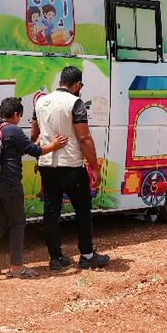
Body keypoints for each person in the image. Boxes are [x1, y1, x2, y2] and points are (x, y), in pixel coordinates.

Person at [0, 98, 67, 278]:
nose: (20, 120)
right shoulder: (13, 129)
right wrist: (54, 145)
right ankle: (16, 266)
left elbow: (18, 150)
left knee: (0, 222)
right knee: (18, 223)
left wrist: (36, 142)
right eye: (20, 117)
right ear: (15, 114)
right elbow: (34, 152)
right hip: (10, 183)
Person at [31, 66, 110, 270]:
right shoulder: (76, 103)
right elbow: (84, 138)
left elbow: (34, 137)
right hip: (72, 166)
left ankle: (56, 258)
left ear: (60, 82)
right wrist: (94, 167)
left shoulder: (40, 102)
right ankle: (87, 255)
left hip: (47, 165)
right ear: (77, 85)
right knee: (83, 210)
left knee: (51, 211)